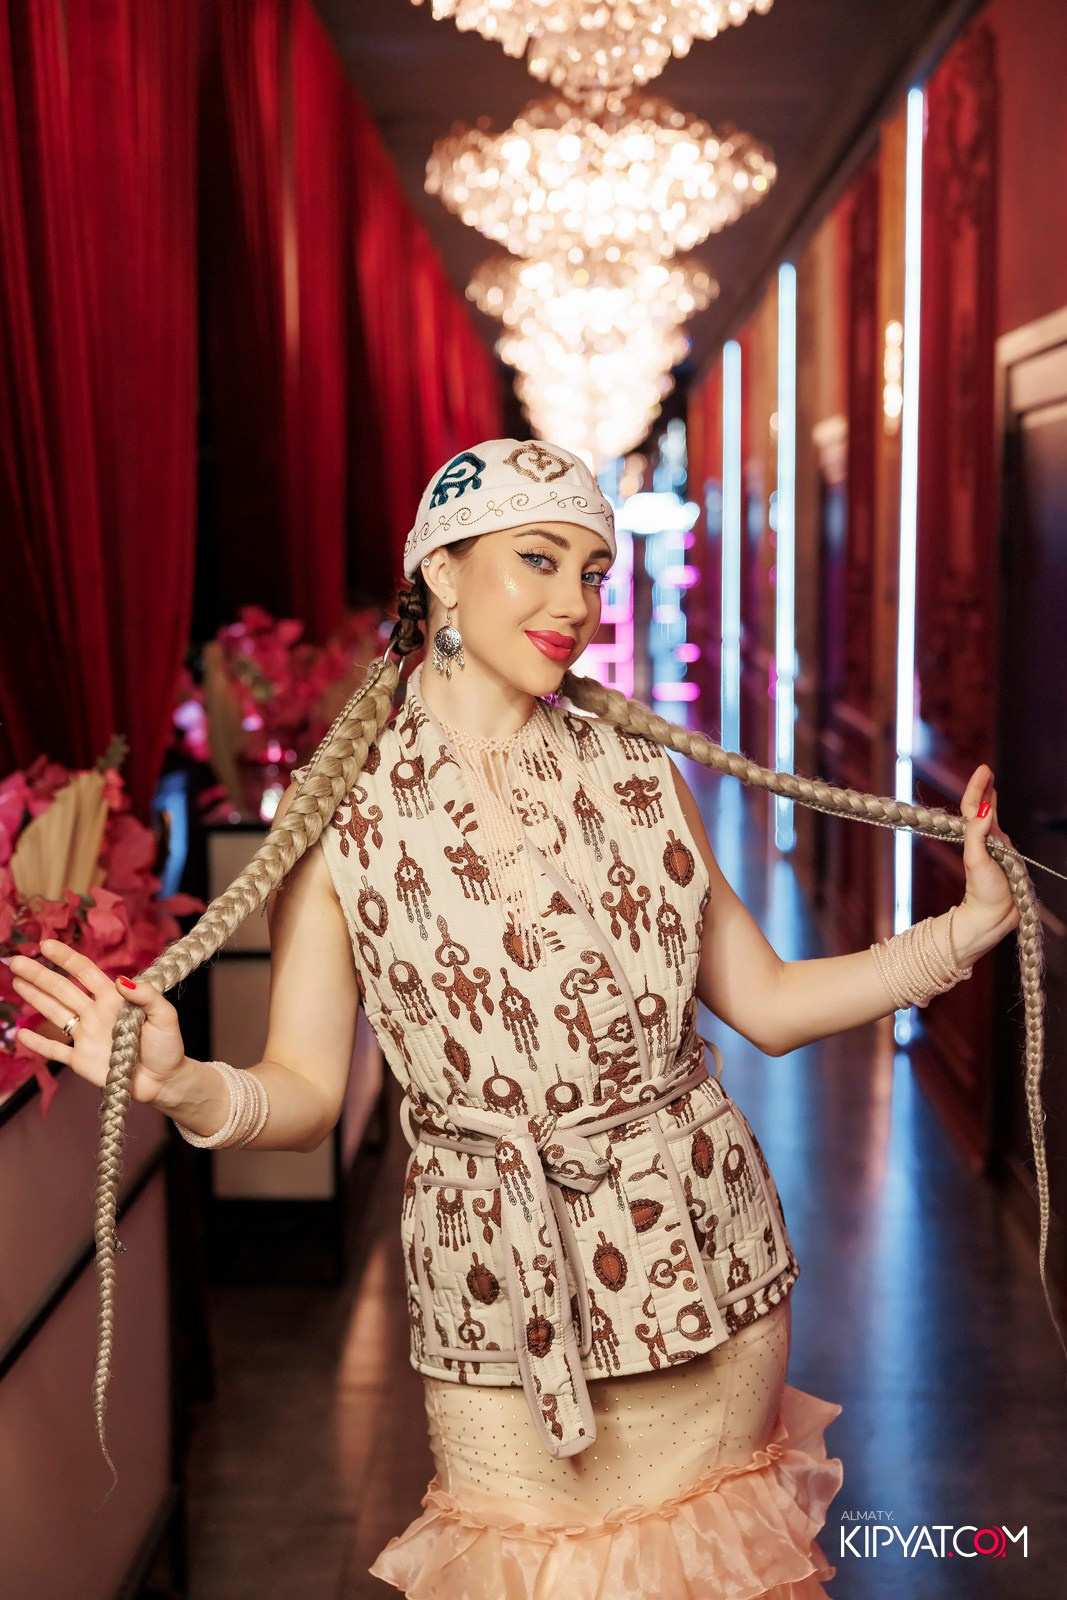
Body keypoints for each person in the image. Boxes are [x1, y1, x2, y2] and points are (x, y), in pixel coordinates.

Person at [9, 439, 1036, 1598]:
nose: (574, 604)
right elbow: (302, 1092)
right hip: (494, 1283)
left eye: (593, 572)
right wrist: (185, 1083)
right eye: (538, 560)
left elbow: (767, 1003)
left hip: (702, 1257)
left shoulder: (641, 772)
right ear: (440, 570)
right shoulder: (347, 814)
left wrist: (958, 934)